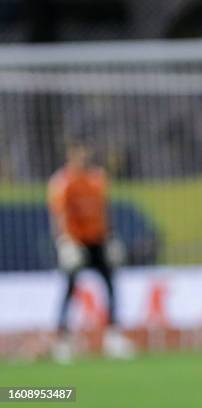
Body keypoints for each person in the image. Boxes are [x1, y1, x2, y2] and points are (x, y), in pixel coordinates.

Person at [48, 141, 132, 362]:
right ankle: (62, 340)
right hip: (75, 243)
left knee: (110, 285)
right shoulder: (63, 182)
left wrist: (110, 237)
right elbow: (59, 215)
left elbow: (104, 211)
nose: (84, 157)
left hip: (97, 242)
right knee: (69, 288)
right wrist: (64, 241)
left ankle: (113, 337)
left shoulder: (97, 179)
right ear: (71, 155)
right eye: (79, 152)